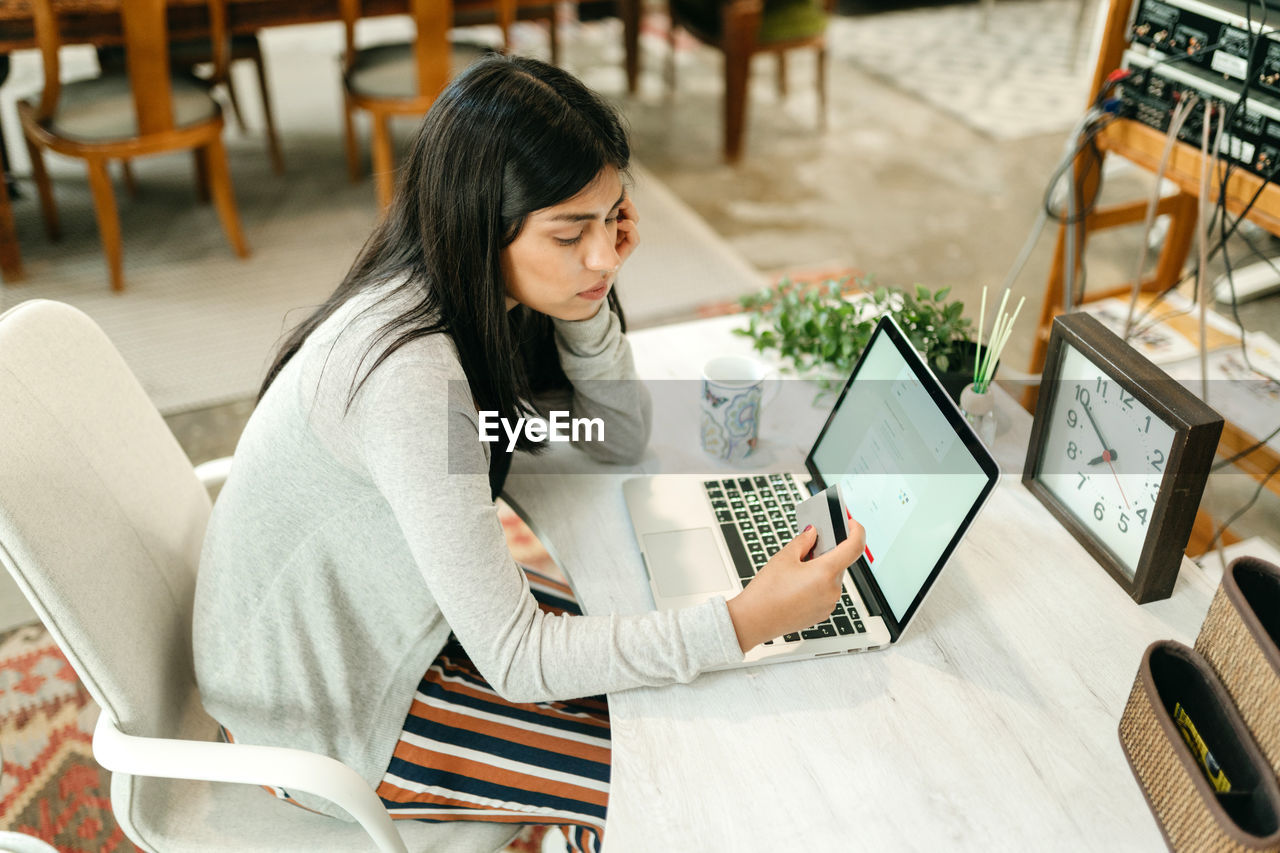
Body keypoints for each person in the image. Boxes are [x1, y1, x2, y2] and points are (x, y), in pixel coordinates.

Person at [192, 55, 865, 853]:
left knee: (666, 671)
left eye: (614, 218)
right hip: (331, 711)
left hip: (403, 621)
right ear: (483, 221)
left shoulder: (482, 301)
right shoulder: (410, 376)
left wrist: (586, 309)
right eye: (569, 233)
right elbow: (517, 659)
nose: (605, 256)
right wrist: (749, 619)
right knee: (666, 765)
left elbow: (613, 438)